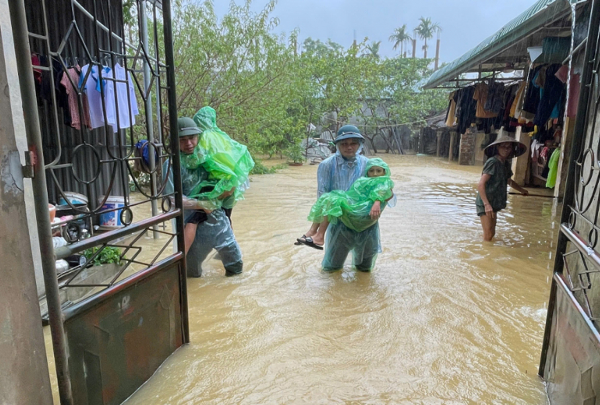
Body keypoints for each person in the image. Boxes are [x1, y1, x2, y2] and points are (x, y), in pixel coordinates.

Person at [297, 125, 395, 272]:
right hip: (340, 223)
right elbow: (323, 197)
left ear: (359, 145)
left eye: (353, 143)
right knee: (332, 268)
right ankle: (316, 234)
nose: (349, 147)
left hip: (367, 221)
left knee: (365, 268)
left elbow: (385, 187)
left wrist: (382, 199)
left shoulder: (369, 165)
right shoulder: (327, 165)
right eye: (344, 143)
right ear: (337, 145)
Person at [163, 117, 243, 277]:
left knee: (235, 266)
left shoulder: (209, 157)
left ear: (199, 137)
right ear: (175, 141)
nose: (189, 144)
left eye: (192, 138)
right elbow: (171, 200)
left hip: (217, 219)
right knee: (192, 274)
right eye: (183, 140)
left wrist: (227, 189)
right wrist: (201, 204)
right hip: (190, 224)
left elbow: (229, 180)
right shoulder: (171, 165)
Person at [298, 158, 394, 250]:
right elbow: (354, 195)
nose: (375, 174)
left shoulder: (385, 181)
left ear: (384, 172)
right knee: (326, 197)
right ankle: (312, 231)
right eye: (371, 171)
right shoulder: (364, 180)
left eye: (378, 171)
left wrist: (377, 202)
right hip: (358, 204)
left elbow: (382, 191)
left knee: (333, 201)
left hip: (362, 211)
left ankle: (319, 236)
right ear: (367, 172)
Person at [476, 134, 529, 242]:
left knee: (492, 232)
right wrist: (486, 204)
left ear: (512, 149)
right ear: (498, 148)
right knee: (489, 233)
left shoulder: (505, 164)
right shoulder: (492, 162)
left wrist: (522, 190)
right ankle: (486, 254)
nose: (506, 149)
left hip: (494, 201)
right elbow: (481, 184)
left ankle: (487, 251)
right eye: (503, 146)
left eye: (508, 147)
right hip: (486, 201)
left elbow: (508, 180)